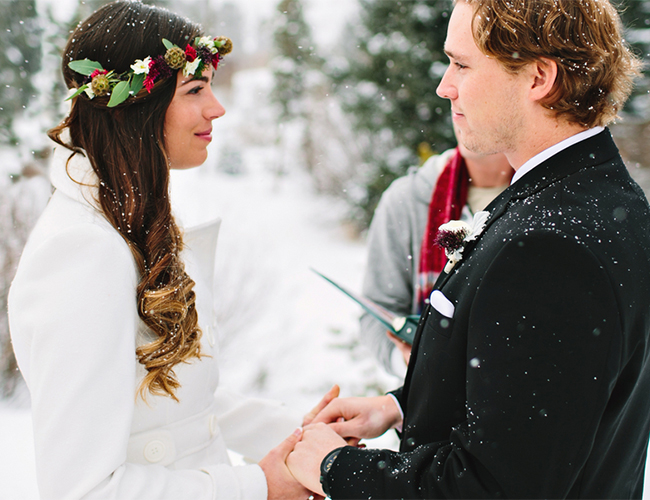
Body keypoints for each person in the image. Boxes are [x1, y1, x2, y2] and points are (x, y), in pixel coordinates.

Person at [287, 0, 650, 498]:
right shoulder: (600, 196)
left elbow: (491, 486)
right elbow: (553, 405)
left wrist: (334, 469)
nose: (444, 86)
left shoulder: (548, 246)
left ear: (539, 77)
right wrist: (399, 405)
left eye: (461, 63)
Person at [7, 2, 324, 498]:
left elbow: (174, 403)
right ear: (138, 106)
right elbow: (82, 490)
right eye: (195, 90)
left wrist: (300, 435)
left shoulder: (135, 219)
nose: (217, 108)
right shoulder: (83, 252)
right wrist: (256, 486)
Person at [360, 129, 512, 375]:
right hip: (428, 407)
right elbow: (377, 311)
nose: (447, 91)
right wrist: (408, 363)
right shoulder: (406, 201)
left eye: (467, 88)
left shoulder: (549, 196)